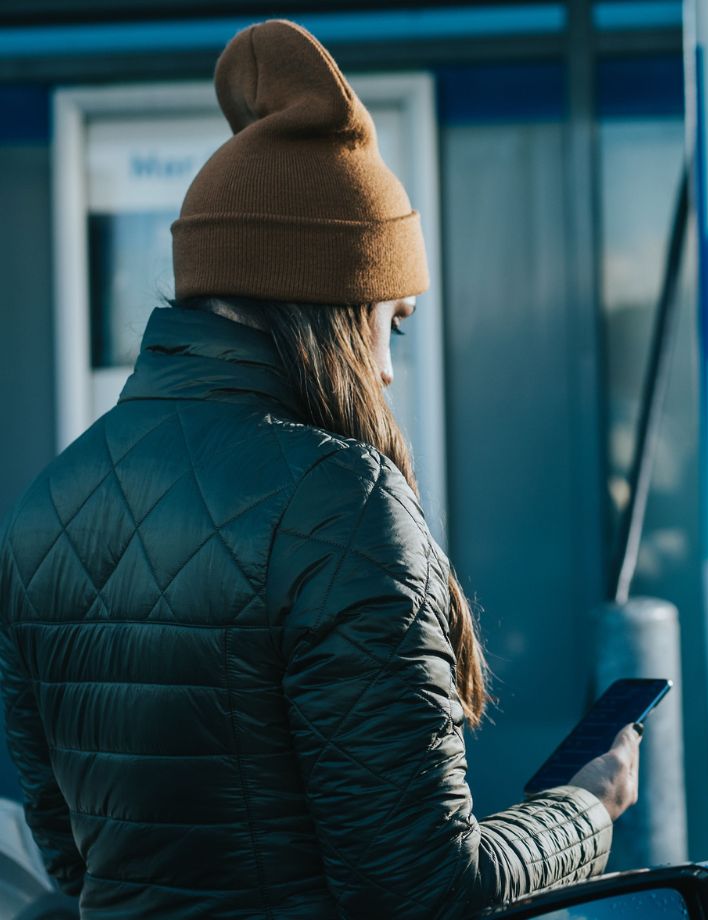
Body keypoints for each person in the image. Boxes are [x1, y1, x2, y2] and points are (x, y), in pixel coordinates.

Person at [0, 19, 639, 919]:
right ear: (330, 311)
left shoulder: (43, 512)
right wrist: (586, 809)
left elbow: (72, 858)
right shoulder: (340, 505)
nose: (385, 369)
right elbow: (423, 888)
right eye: (393, 322)